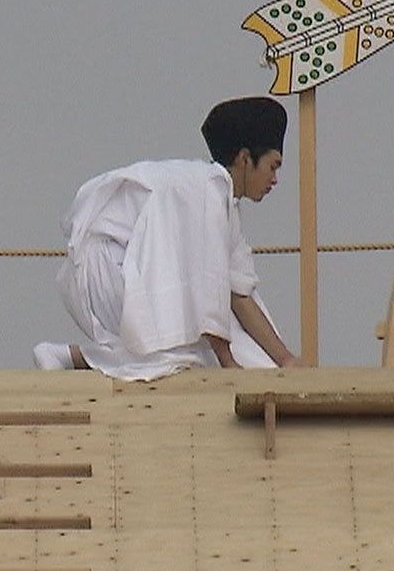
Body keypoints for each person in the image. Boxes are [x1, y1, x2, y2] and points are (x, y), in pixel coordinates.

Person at [33, 96, 305, 379]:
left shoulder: (225, 206)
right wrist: (229, 366)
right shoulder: (209, 190)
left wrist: (285, 360)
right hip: (106, 264)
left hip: (125, 267)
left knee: (203, 350)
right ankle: (66, 355)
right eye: (273, 166)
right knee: (185, 354)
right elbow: (209, 288)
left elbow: (240, 294)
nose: (275, 179)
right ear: (245, 159)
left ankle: (65, 355)